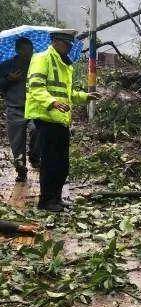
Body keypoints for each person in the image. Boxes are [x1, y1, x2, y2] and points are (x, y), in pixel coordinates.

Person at [25, 30, 98, 212]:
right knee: (49, 162)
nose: (69, 48)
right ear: (56, 42)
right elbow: (36, 87)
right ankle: (46, 201)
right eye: (66, 44)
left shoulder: (65, 65)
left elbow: (67, 94)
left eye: (70, 45)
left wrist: (85, 96)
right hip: (45, 118)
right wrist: (53, 102)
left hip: (61, 120)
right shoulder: (42, 59)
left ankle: (56, 198)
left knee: (62, 163)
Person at [0, 38, 39, 182]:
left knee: (37, 131)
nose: (29, 53)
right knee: (17, 143)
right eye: (26, 50)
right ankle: (21, 170)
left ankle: (34, 156)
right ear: (18, 50)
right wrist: (8, 79)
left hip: (34, 107)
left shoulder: (36, 64)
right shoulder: (6, 66)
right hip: (15, 109)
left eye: (31, 49)